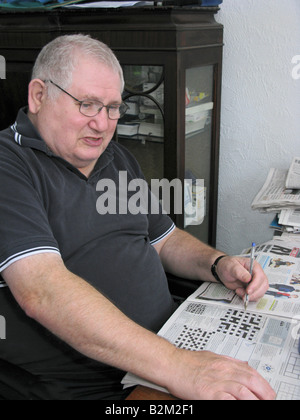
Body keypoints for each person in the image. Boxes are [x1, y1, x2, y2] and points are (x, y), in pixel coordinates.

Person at [0, 34, 275, 401]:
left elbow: (165, 240)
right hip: (100, 386)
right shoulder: (9, 166)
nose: (103, 124)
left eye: (113, 108)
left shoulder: (115, 158)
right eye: (88, 104)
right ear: (38, 96)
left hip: (169, 345)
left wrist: (217, 263)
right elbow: (42, 289)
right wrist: (179, 366)